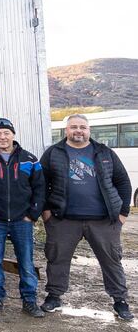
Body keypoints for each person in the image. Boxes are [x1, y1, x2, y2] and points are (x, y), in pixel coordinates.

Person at [40, 114, 133, 321]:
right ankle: (54, 296)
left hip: (103, 220)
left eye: (82, 127)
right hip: (63, 219)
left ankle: (120, 301)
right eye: (74, 127)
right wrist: (46, 211)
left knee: (111, 261)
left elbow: (123, 182)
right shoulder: (54, 153)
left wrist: (123, 213)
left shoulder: (104, 152)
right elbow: (40, 183)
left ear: (89, 130)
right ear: (67, 130)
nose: (78, 131)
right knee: (56, 258)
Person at [0, 118, 45, 317]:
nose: (2, 137)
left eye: (6, 133)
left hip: (23, 220)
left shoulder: (30, 158)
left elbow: (39, 189)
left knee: (26, 262)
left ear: (13, 134)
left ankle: (29, 301)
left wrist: (32, 215)